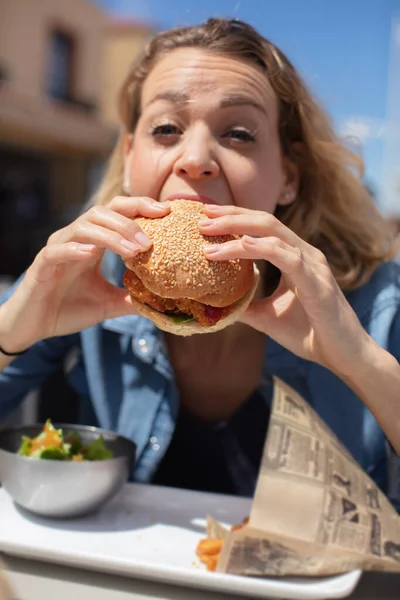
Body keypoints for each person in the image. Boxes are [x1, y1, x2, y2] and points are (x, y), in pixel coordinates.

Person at [0, 19, 399, 502]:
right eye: (166, 129)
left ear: (288, 177)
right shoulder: (82, 275)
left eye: (238, 133)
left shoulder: (376, 305)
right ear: (129, 161)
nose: (195, 158)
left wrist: (363, 365)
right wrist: (11, 334)